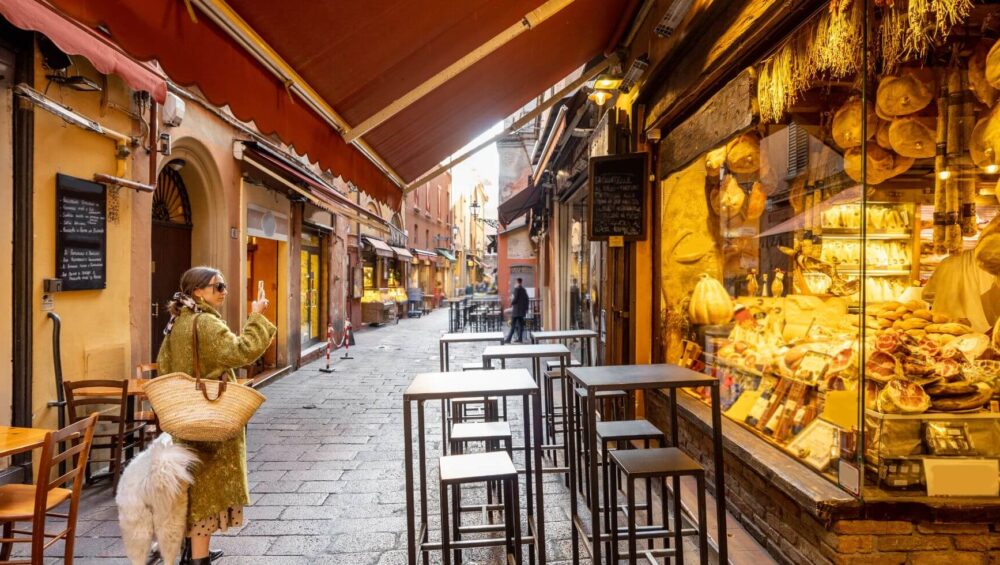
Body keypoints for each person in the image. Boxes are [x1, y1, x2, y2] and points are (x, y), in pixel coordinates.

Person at [157, 267, 276, 564]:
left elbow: (163, 363)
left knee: (191, 486)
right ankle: (199, 558)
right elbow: (242, 351)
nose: (224, 291)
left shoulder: (178, 322)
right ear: (198, 291)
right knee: (208, 490)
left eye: (224, 286)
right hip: (210, 417)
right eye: (218, 286)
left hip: (184, 416)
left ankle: (190, 551)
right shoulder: (206, 323)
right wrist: (257, 316)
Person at [506, 277, 530, 343]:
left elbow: (515, 298)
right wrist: (526, 308)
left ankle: (508, 339)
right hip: (522, 311)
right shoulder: (523, 289)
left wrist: (511, 303)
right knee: (521, 325)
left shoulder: (516, 289)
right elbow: (527, 299)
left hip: (516, 311)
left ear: (517, 282)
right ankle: (520, 339)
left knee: (513, 325)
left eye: (515, 282)